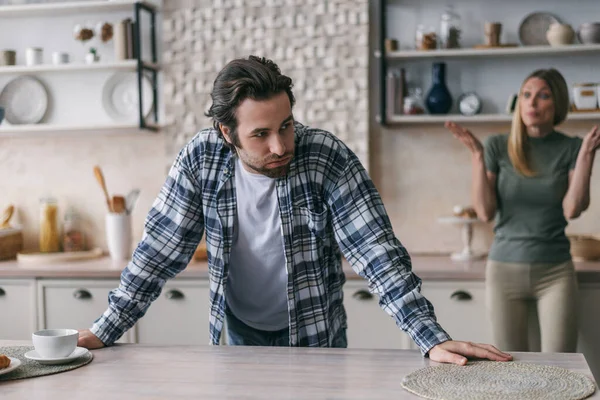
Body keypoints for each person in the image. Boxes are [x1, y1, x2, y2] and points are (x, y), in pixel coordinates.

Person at [79, 55, 511, 366]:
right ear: (226, 132)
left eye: (286, 126)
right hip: (237, 334)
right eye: (261, 134)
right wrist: (106, 328)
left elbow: (378, 254)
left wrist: (430, 338)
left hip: (318, 336)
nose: (280, 146)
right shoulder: (200, 160)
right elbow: (158, 253)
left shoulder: (325, 156)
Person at [445, 68, 599, 352]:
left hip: (555, 271)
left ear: (558, 104)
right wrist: (478, 158)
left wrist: (587, 154)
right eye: (526, 95)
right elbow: (485, 211)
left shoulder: (572, 147)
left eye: (543, 96)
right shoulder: (497, 146)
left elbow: (573, 209)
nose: (532, 103)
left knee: (560, 365)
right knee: (508, 366)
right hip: (504, 270)